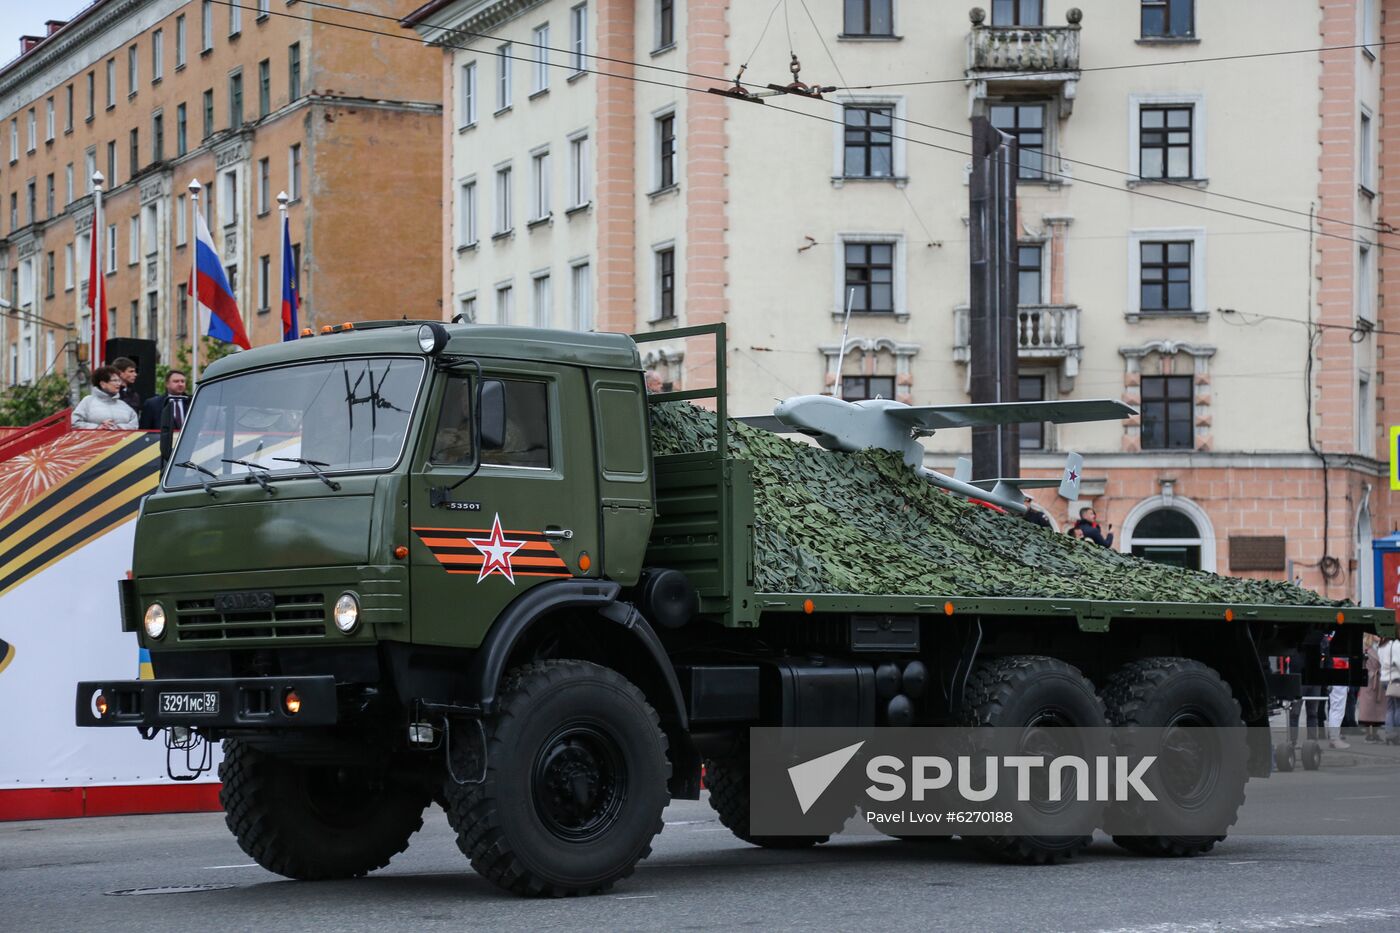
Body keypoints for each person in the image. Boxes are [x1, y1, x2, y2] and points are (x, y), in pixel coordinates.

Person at [71, 366, 139, 430]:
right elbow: (74, 423)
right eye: (114, 380)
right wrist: (98, 427)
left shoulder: (123, 405)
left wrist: (117, 427)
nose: (119, 384)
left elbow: (135, 425)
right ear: (103, 384)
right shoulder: (88, 401)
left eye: (119, 380)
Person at [1357, 633, 1386, 744]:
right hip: (1369, 680)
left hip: (1379, 680)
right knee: (1368, 708)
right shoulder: (1365, 646)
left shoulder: (1382, 645)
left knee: (1379, 708)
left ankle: (1375, 733)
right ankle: (1369, 734)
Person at [1379, 635, 1400, 746]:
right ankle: (1397, 734)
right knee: (1398, 707)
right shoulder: (1395, 645)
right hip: (1395, 679)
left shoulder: (1381, 645)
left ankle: (1389, 734)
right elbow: (1398, 662)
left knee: (1389, 708)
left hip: (1384, 679)